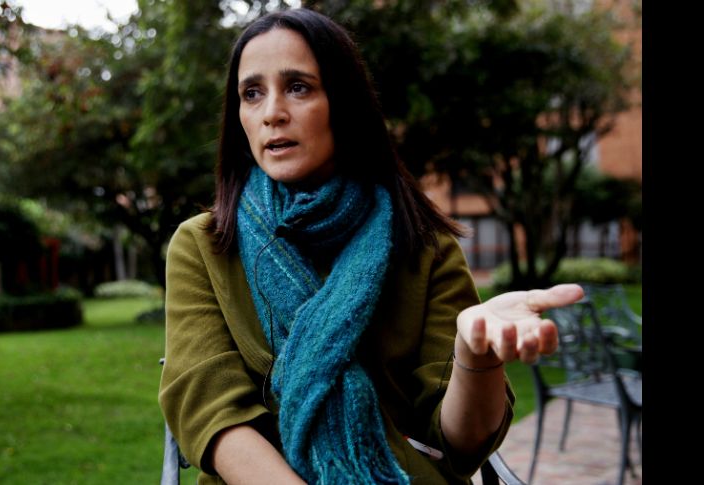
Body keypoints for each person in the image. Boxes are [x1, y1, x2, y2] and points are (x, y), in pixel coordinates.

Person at [159, 8, 583, 485]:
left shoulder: (425, 245)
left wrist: (475, 355)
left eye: (298, 87)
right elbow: (211, 410)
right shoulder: (204, 245)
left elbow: (462, 446)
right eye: (251, 93)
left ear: (344, 102)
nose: (272, 112)